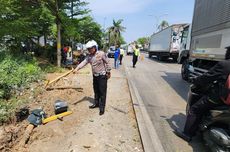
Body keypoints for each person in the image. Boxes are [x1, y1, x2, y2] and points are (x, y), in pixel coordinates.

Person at [174, 47, 230, 142]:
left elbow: (207, 77)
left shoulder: (225, 64)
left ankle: (187, 134)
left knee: (195, 109)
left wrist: (194, 80)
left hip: (219, 98)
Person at [73, 40, 111, 115]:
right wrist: (76, 68)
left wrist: (108, 72)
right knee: (96, 91)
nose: (89, 50)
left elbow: (108, 62)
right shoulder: (89, 56)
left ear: (94, 47)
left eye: (90, 48)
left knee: (102, 92)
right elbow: (83, 62)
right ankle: (96, 104)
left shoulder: (101, 54)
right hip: (95, 76)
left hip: (102, 76)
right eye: (88, 49)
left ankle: (102, 108)